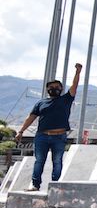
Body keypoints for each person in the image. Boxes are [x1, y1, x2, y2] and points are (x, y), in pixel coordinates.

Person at [15, 63, 82, 191]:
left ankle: (55, 186)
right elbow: (31, 117)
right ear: (47, 90)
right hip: (42, 136)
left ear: (61, 89)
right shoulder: (41, 103)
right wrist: (21, 131)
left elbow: (74, 86)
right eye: (51, 87)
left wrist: (77, 73)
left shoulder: (66, 99)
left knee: (57, 162)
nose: (54, 88)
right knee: (39, 161)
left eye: (57, 87)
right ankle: (35, 185)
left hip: (59, 137)